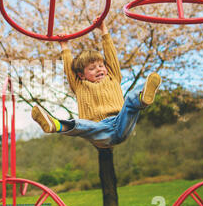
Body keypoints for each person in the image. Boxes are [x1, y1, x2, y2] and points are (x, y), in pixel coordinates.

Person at [31, 19, 161, 148]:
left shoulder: (113, 77)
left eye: (101, 65)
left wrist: (103, 29)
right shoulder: (79, 85)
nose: (99, 69)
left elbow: (111, 55)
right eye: (92, 68)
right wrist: (64, 46)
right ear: (81, 75)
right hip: (98, 130)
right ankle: (55, 125)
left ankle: (142, 98)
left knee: (130, 101)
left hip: (120, 120)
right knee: (80, 124)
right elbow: (70, 71)